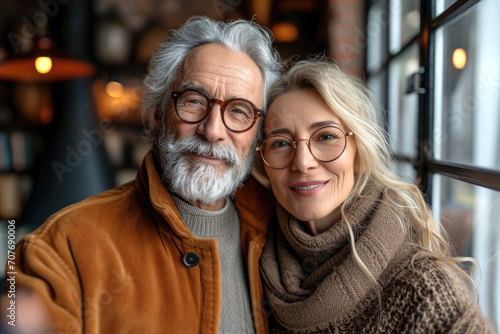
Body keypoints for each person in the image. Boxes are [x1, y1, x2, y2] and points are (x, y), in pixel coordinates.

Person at [1, 16, 281, 333]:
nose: (213, 130)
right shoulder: (63, 245)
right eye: (193, 101)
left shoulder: (279, 234)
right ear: (158, 112)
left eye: (239, 110)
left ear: (257, 132)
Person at [256, 59, 495, 333]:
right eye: (281, 143)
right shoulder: (253, 259)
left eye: (325, 137)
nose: (302, 162)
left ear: (359, 150)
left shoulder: (426, 293)